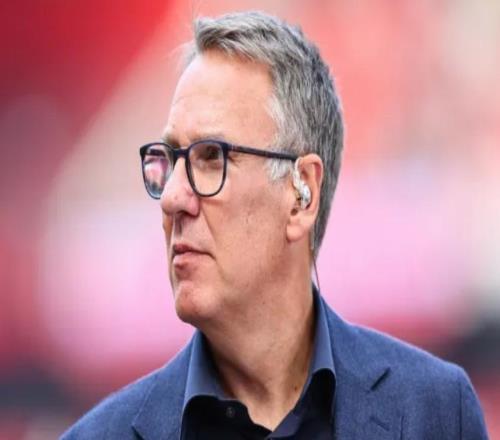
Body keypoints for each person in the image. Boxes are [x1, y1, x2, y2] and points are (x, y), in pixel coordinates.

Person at [61, 11, 488, 440]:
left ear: (302, 194)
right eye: (170, 160)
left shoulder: (435, 411)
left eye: (211, 158)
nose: (172, 198)